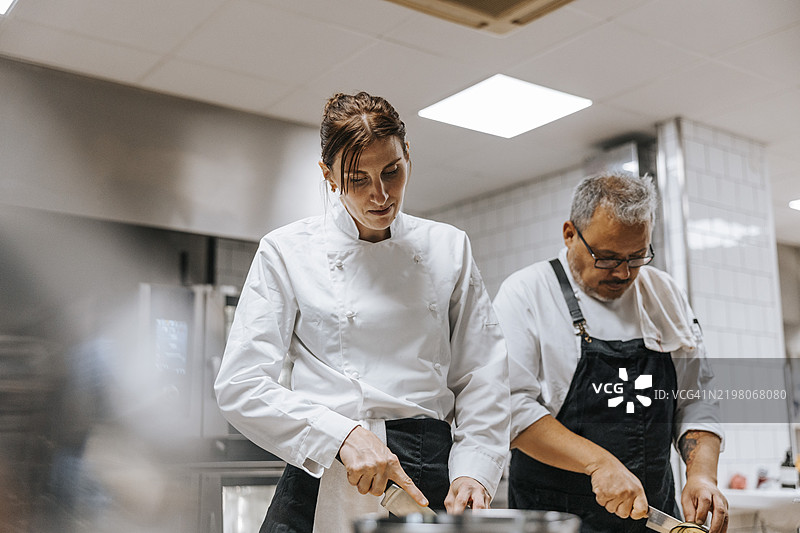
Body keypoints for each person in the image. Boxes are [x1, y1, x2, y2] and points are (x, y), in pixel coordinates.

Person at [214, 91, 510, 533]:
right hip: (326, 460)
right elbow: (240, 385)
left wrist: (473, 470)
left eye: (392, 171)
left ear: (407, 154)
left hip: (424, 472)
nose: (381, 195)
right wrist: (342, 435)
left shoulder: (448, 248)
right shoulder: (286, 251)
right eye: (357, 178)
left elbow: (481, 374)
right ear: (328, 176)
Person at [493, 172, 728, 533]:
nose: (622, 272)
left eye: (636, 257)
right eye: (606, 257)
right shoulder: (527, 293)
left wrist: (702, 475)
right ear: (570, 233)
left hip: (654, 515)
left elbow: (696, 398)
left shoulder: (663, 294)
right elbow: (512, 409)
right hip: (557, 518)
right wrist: (598, 463)